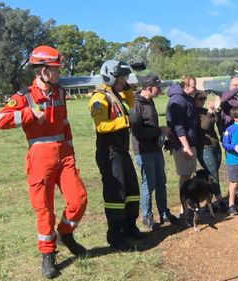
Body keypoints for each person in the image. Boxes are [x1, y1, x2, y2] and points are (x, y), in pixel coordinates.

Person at [0, 45, 87, 278]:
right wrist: (27, 114)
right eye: (55, 69)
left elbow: (65, 123)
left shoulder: (60, 93)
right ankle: (48, 254)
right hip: (39, 156)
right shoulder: (23, 96)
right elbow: (0, 120)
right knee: (44, 208)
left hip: (64, 155)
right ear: (42, 70)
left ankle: (66, 233)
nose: (59, 73)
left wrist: (71, 151)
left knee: (78, 200)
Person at [89, 60, 144, 252]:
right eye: (123, 78)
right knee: (116, 194)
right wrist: (125, 121)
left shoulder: (115, 94)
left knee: (131, 191)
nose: (125, 81)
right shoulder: (99, 98)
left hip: (121, 151)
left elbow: (131, 102)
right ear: (112, 77)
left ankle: (130, 227)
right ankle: (115, 236)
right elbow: (101, 125)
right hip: (109, 152)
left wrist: (127, 87)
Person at [130, 74, 177, 231]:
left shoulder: (150, 102)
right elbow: (138, 132)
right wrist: (160, 130)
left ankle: (164, 213)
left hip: (155, 150)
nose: (160, 90)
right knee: (148, 185)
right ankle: (147, 216)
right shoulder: (136, 105)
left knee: (160, 183)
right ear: (149, 88)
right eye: (158, 87)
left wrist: (161, 134)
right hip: (143, 151)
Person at [165, 75, 198, 214]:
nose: (195, 88)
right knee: (184, 175)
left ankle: (187, 204)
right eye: (193, 86)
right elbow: (178, 127)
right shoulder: (177, 100)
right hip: (183, 145)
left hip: (190, 142)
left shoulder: (187, 98)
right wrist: (185, 146)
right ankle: (183, 207)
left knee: (188, 175)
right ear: (186, 87)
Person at [194, 91, 227, 212]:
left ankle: (210, 202)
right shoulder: (194, 113)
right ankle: (220, 201)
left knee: (213, 174)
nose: (202, 101)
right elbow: (204, 127)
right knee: (213, 175)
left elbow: (215, 122)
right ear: (194, 100)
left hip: (215, 145)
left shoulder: (203, 111)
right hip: (204, 147)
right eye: (200, 99)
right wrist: (209, 112)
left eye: (204, 98)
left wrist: (216, 111)